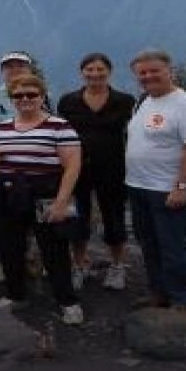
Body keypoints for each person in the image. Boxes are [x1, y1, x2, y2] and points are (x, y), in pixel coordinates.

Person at [0, 74, 84, 325]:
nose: (25, 99)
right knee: (9, 247)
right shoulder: (2, 128)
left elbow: (72, 166)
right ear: (11, 99)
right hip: (7, 194)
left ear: (42, 96)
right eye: (18, 95)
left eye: (31, 94)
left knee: (54, 249)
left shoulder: (60, 126)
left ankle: (67, 301)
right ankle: (15, 294)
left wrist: (62, 201)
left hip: (46, 193)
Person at [125, 50, 186, 311]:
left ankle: (184, 298)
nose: (148, 76)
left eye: (154, 71)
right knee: (148, 243)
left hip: (167, 188)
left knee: (172, 245)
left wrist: (181, 186)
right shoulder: (144, 101)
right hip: (138, 185)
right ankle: (159, 291)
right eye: (142, 73)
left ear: (170, 71)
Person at [58, 53, 135, 291]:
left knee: (114, 216)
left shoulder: (125, 101)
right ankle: (79, 265)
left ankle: (117, 265)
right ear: (82, 72)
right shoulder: (68, 101)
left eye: (100, 69)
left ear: (109, 71)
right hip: (76, 168)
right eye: (89, 69)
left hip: (113, 167)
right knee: (77, 218)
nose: (95, 74)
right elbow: (61, 133)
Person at [0, 51, 47, 280]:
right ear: (2, 71)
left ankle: (31, 257)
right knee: (3, 222)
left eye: (20, 65)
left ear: (29, 69)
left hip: (39, 171)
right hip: (1, 172)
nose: (15, 70)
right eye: (9, 66)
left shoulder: (44, 97)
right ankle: (7, 262)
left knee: (36, 219)